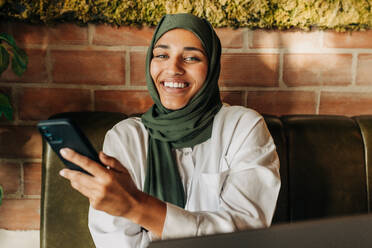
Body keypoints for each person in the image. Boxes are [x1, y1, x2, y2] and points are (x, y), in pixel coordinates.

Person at [59, 13, 281, 248]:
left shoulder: (242, 127)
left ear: (212, 66)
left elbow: (242, 234)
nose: (173, 68)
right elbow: (116, 243)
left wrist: (136, 207)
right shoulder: (125, 138)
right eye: (162, 55)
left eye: (191, 58)